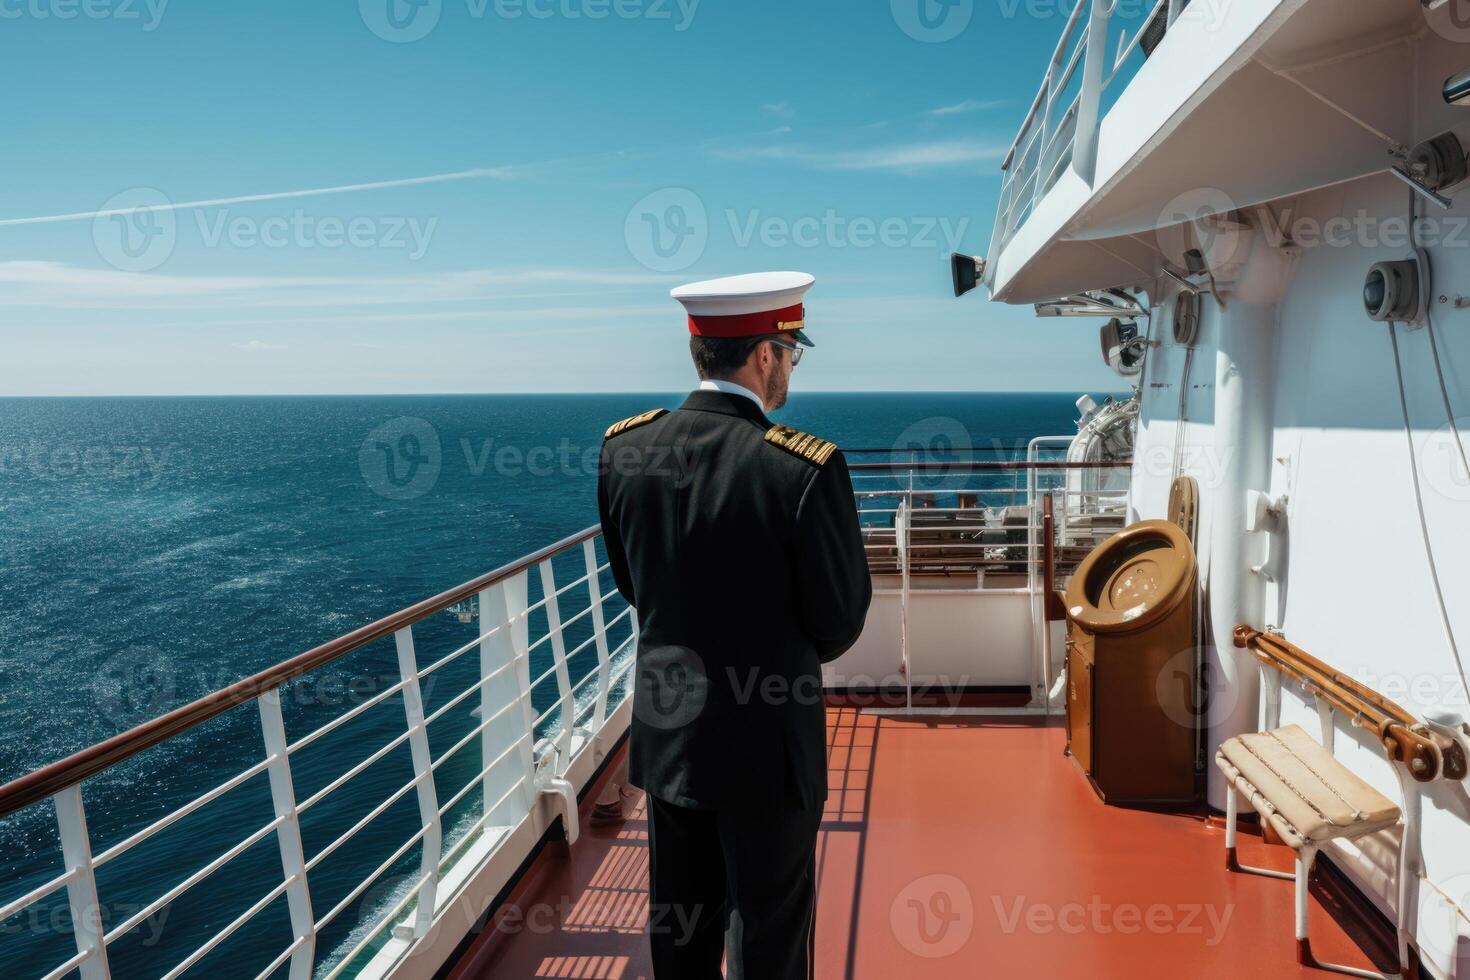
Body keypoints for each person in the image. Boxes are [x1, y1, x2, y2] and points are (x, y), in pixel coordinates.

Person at [597, 271, 872, 979]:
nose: (788, 369)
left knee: (680, 928)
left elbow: (634, 585)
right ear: (764, 357)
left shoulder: (626, 451)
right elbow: (837, 621)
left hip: (670, 735)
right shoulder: (803, 469)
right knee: (769, 935)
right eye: (790, 353)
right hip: (767, 746)